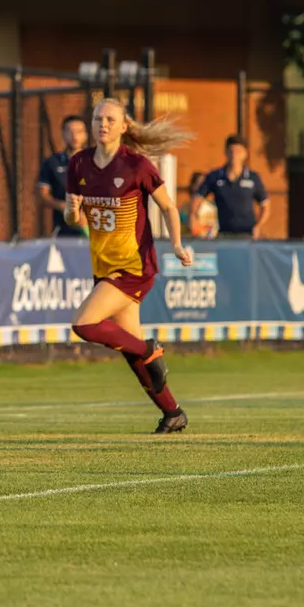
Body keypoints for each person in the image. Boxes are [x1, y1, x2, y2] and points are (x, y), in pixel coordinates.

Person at [66, 98, 196, 433]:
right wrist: (72, 210)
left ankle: (149, 349)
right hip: (104, 265)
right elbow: (74, 218)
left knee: (83, 323)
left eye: (110, 119)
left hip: (135, 266)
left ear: (124, 126)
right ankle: (173, 413)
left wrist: (178, 243)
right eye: (97, 119)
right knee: (129, 350)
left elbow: (168, 207)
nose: (102, 124)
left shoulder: (136, 165)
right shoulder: (78, 163)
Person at [197, 134, 268, 239]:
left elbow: (265, 205)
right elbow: (197, 197)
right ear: (226, 153)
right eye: (231, 151)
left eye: (238, 151)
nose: (234, 155)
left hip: (247, 235)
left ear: (245, 154)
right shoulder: (215, 176)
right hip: (224, 235)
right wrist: (193, 218)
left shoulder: (253, 178)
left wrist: (258, 226)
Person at [37, 114, 90, 235]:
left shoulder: (97, 162)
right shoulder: (52, 163)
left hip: (93, 233)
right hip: (63, 233)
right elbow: (42, 196)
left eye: (79, 131)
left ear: (85, 135)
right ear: (63, 134)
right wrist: (63, 206)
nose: (74, 136)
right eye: (70, 131)